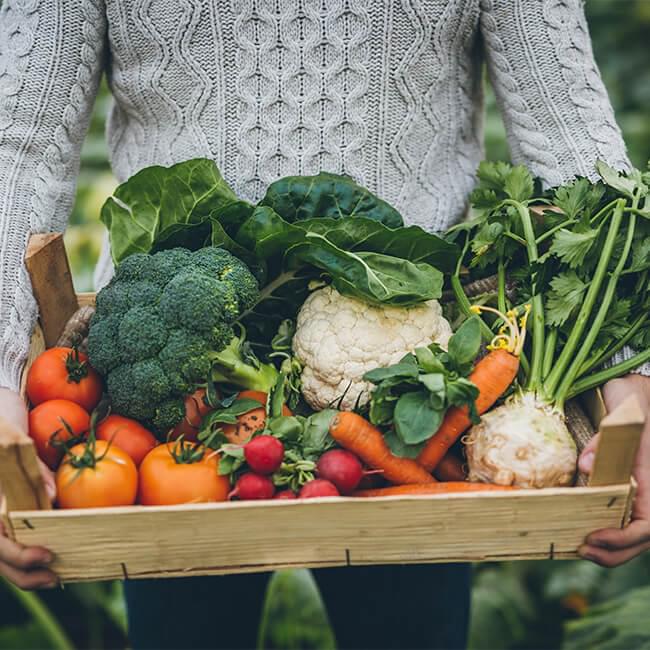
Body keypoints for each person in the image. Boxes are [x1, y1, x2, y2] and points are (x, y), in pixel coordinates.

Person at [0, 1, 648, 648]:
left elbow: (569, 132)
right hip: (175, 393)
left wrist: (635, 376)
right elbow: (20, 149)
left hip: (414, 391)